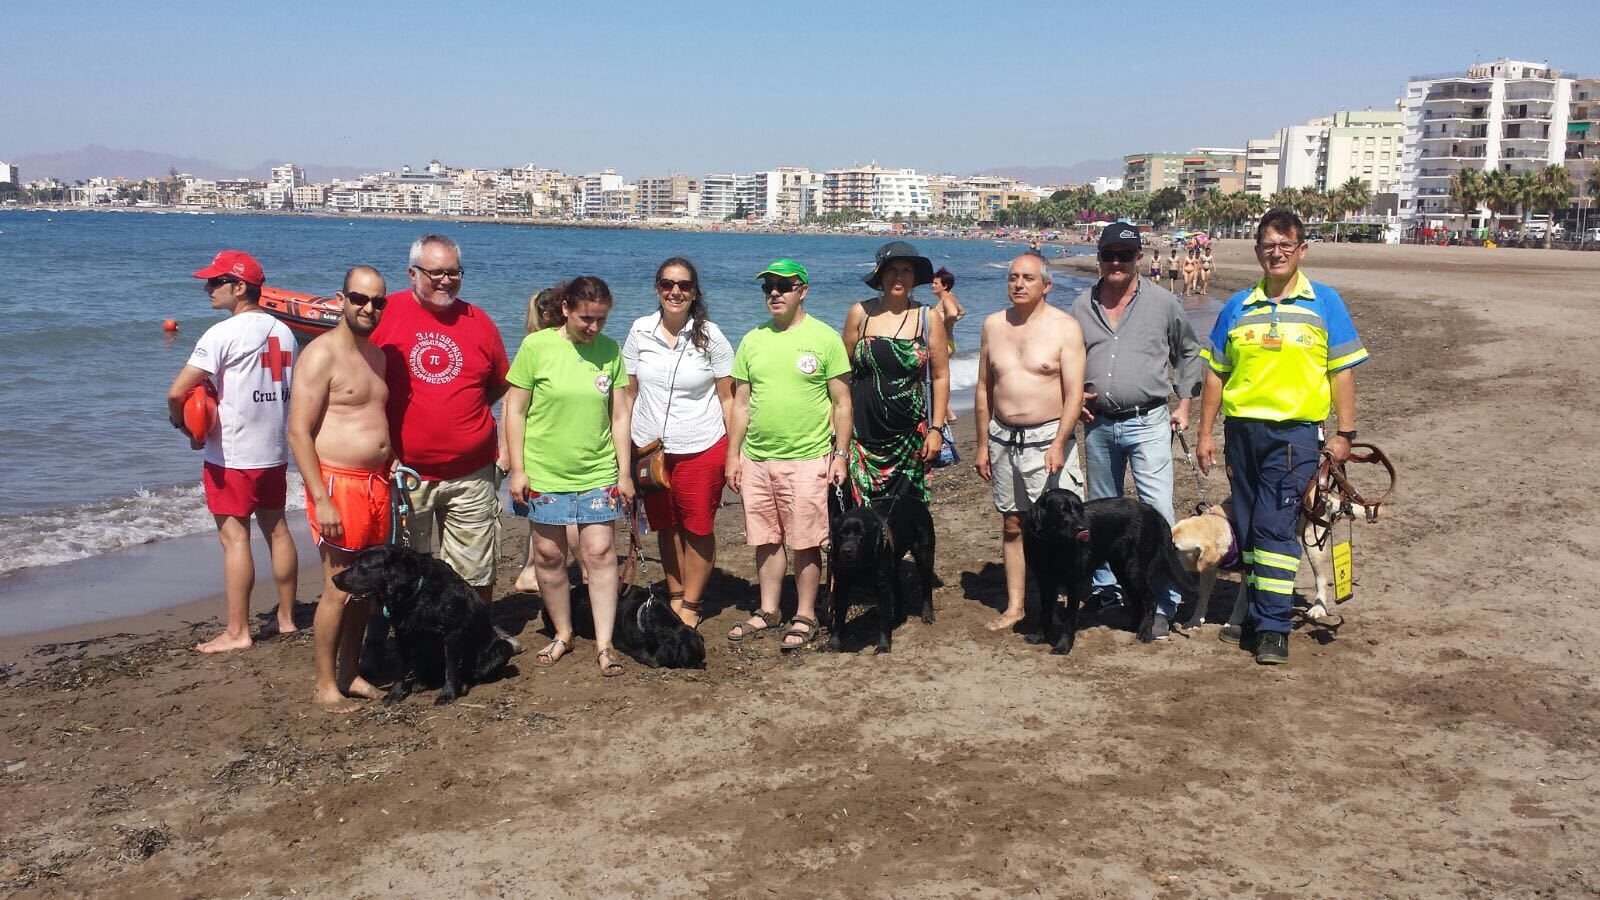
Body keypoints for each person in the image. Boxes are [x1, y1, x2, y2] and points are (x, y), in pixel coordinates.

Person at [1196, 209, 1369, 665]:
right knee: (1251, 527)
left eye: (1285, 246)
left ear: (1301, 250)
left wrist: (1345, 434)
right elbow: (1215, 374)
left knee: (1276, 526)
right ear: (1257, 252)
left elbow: (1343, 373)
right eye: (1268, 246)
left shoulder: (1325, 302)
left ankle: (1273, 629)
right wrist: (1205, 434)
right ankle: (1257, 612)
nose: (1276, 254)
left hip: (1295, 435)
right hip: (1241, 434)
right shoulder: (1237, 306)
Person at [1069, 223, 1202, 641]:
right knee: (1102, 514)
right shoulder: (1079, 306)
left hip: (1149, 422)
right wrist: (1072, 403)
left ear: (1138, 258)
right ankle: (1107, 591)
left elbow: (1188, 352)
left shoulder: (1163, 303)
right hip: (1098, 426)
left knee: (1157, 513)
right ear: (1099, 256)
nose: (1115, 262)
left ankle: (1162, 605)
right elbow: (1064, 359)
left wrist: (1184, 404)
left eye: (1124, 255)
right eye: (1109, 254)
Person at [166, 250, 298, 653]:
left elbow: (176, 391)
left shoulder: (221, 334)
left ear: (240, 287)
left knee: (235, 539)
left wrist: (184, 425)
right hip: (273, 450)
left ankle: (238, 631)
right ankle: (287, 619)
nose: (207, 289)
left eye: (214, 282)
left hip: (233, 455)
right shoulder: (286, 332)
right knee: (277, 529)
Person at [504, 277, 634, 677]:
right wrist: (518, 468)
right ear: (564, 310)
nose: (593, 327)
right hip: (544, 471)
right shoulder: (536, 347)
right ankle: (562, 632)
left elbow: (619, 415)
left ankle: (605, 642)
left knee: (599, 553)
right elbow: (515, 410)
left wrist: (625, 473)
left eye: (600, 319)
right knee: (549, 556)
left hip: (597, 471)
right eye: (585, 318)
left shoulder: (610, 351)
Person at [373, 235, 510, 614]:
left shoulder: (478, 321)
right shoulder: (385, 314)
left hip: (472, 473)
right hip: (406, 474)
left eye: (453, 272)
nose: (446, 281)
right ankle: (409, 649)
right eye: (436, 273)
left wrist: (461, 417)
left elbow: (499, 382)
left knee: (476, 572)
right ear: (412, 273)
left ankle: (473, 639)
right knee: (404, 573)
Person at [724, 259, 852, 652]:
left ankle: (806, 613)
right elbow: (740, 404)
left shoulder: (825, 338)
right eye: (769, 288)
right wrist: (734, 455)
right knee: (765, 538)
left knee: (806, 541)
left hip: (809, 457)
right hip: (758, 459)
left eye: (784, 286)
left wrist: (841, 454)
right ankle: (768, 609)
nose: (775, 293)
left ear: (803, 291)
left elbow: (842, 402)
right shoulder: (752, 340)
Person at [286, 266, 394, 712]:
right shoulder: (320, 355)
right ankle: (325, 684)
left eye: (377, 302)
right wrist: (321, 497)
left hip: (377, 484)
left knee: (364, 588)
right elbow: (298, 432)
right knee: (338, 587)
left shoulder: (377, 356)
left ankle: (351, 674)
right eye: (359, 299)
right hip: (339, 484)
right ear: (341, 299)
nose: (368, 308)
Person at [974, 253, 1086, 633]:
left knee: (1058, 529)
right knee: (1012, 524)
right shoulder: (993, 325)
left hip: (1047, 440)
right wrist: (981, 444)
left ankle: (1061, 604)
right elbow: (984, 387)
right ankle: (1016, 605)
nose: (1018, 284)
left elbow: (1073, 394)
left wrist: (1059, 444)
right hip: (1003, 438)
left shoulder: (1065, 327)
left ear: (1046, 286)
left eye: (1028, 278)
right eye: (1013, 277)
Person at [623, 258, 735, 629]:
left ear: (694, 291)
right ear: (657, 287)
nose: (675, 291)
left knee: (698, 526)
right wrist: (621, 452)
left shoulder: (711, 336)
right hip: (649, 449)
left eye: (684, 285)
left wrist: (735, 453)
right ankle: (674, 592)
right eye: (667, 284)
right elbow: (627, 395)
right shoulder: (640, 330)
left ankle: (692, 601)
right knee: (665, 524)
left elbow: (729, 399)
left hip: (701, 445)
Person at [842, 241, 950, 503]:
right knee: (859, 517)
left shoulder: (927, 317)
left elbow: (940, 376)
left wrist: (936, 429)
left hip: (910, 435)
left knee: (906, 516)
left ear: (914, 278)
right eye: (891, 269)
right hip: (861, 434)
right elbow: (842, 375)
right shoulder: (861, 313)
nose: (898, 276)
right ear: (880, 275)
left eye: (906, 270)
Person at [504, 286, 580, 595]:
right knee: (564, 519)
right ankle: (583, 569)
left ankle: (530, 571)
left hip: (543, 447)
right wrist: (508, 456)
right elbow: (512, 406)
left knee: (542, 520)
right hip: (539, 449)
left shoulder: (543, 344)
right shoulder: (535, 346)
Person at [929, 266, 965, 361]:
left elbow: (953, 313)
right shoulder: (949, 297)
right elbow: (962, 312)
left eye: (936, 283)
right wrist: (950, 323)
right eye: (933, 283)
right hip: (947, 343)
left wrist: (941, 324)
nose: (932, 285)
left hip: (944, 344)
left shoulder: (947, 299)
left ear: (945, 286)